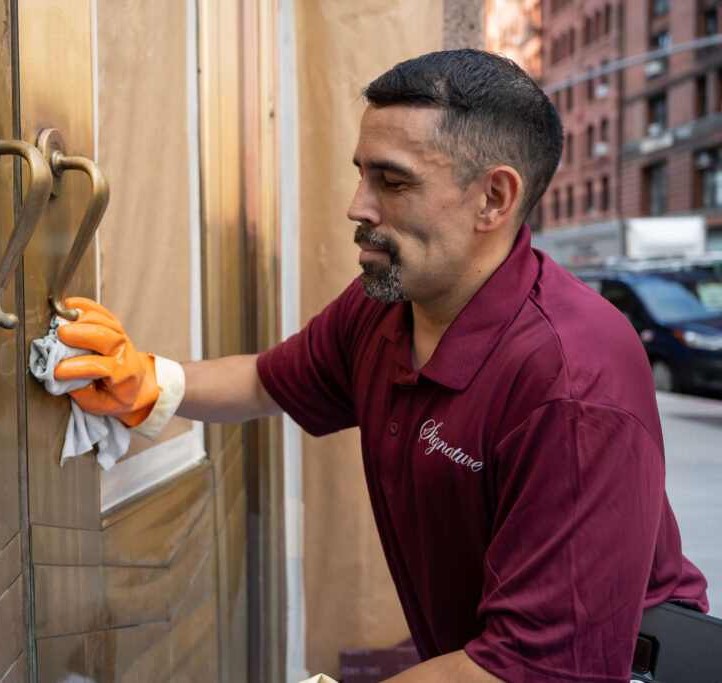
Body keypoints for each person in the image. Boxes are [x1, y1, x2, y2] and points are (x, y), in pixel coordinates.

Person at [53, 49, 709, 682]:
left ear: (493, 199)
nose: (357, 207)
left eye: (392, 181)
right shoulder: (387, 306)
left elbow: (528, 669)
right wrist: (149, 378)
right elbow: (267, 379)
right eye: (361, 173)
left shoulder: (573, 383)